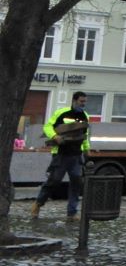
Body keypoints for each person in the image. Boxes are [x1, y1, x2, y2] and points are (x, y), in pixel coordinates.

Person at [32, 91, 90, 220]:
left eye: (85, 101)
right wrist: (54, 136)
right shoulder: (61, 113)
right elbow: (47, 126)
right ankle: (38, 204)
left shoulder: (85, 115)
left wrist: (87, 149)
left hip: (76, 155)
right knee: (53, 181)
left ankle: (72, 213)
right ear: (74, 101)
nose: (83, 104)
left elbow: (85, 135)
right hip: (61, 154)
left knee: (76, 183)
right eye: (81, 101)